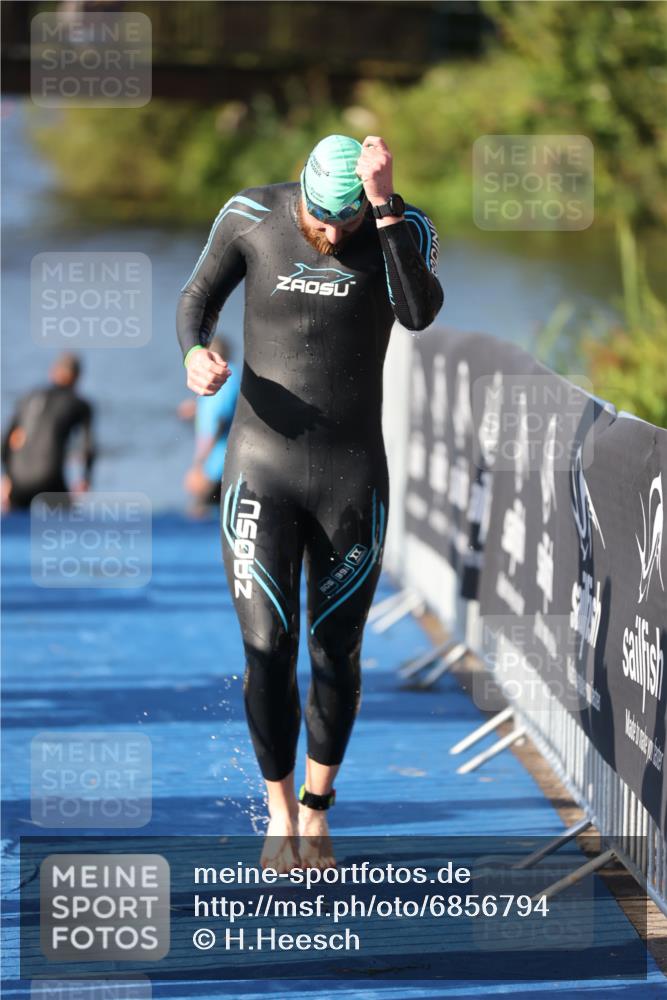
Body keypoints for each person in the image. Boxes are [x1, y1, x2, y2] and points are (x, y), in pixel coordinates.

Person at [177, 134, 443, 872]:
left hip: (350, 476)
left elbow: (418, 314)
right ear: (302, 195)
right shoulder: (251, 215)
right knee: (267, 648)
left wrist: (384, 214)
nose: (331, 234)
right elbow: (196, 298)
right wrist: (194, 353)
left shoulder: (402, 226)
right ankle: (277, 810)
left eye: (346, 221)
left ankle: (318, 811)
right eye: (323, 220)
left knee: (336, 653)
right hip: (259, 467)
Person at [1, 352, 96, 511]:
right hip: (50, 479)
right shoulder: (80, 404)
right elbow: (88, 448)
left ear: (53, 372)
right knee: (67, 528)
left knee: (16, 526)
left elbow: (5, 442)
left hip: (18, 479)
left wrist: (7, 477)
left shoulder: (27, 398)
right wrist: (85, 478)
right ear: (77, 377)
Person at [181, 335, 240, 514]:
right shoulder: (227, 376)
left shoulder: (225, 376)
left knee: (199, 514)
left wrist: (199, 465)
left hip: (216, 465)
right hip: (224, 460)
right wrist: (196, 408)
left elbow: (220, 422)